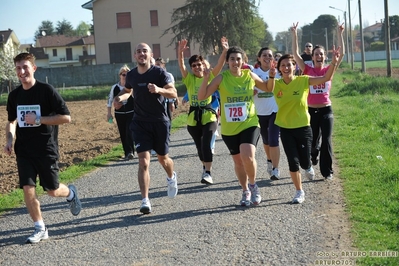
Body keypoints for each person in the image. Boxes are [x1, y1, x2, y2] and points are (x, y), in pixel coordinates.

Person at [4, 53, 81, 243]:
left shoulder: (46, 90)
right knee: (28, 189)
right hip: (24, 151)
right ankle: (40, 227)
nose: (22, 72)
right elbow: (11, 121)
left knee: (52, 190)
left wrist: (39, 119)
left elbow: (66, 117)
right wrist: (9, 139)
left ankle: (71, 193)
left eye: (25, 67)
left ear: (33, 68)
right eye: (18, 68)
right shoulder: (14, 95)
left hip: (46, 149)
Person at [198, 46, 274, 206]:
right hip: (230, 128)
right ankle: (245, 190)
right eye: (232, 59)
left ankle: (253, 186)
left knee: (248, 156)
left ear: (243, 61)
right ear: (227, 61)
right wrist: (205, 79)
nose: (235, 62)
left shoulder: (249, 75)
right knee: (239, 162)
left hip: (250, 123)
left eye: (238, 59)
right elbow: (202, 96)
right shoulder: (221, 78)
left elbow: (267, 88)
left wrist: (272, 77)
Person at [264, 45, 340, 204]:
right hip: (285, 128)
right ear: (279, 68)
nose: (286, 67)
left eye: (289, 64)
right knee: (293, 161)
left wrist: (333, 63)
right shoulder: (276, 84)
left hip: (303, 127)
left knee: (305, 161)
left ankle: (308, 167)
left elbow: (325, 78)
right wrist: (271, 76)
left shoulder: (303, 80)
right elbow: (267, 88)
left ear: (294, 67)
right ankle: (299, 191)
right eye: (282, 65)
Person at [113, 43, 178, 214]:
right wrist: (120, 99)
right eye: (138, 51)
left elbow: (173, 93)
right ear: (135, 56)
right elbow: (128, 90)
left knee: (163, 159)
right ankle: (145, 200)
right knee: (143, 161)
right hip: (140, 122)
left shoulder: (159, 73)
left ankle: (171, 177)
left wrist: (158, 90)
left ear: (151, 54)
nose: (141, 54)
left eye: (144, 51)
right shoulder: (132, 75)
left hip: (159, 121)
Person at [292, 22, 345, 181]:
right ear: (312, 57)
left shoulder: (330, 69)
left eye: (321, 54)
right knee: (313, 142)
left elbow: (341, 55)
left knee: (326, 140)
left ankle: (327, 171)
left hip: (326, 110)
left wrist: (339, 33)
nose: (319, 56)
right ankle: (313, 155)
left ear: (325, 56)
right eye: (316, 54)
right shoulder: (307, 70)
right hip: (310, 111)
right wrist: (294, 34)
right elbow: (295, 54)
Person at [177, 37, 228, 185]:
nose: (197, 67)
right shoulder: (189, 78)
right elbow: (181, 65)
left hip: (209, 113)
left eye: (199, 64)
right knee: (200, 148)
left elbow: (220, 64)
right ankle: (205, 166)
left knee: (206, 143)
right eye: (194, 65)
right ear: (191, 68)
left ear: (202, 64)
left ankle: (208, 172)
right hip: (193, 116)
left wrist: (224, 50)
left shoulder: (210, 75)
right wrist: (180, 52)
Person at [253, 47, 281, 180]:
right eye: (264, 55)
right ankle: (269, 160)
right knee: (266, 140)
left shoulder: (278, 73)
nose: (267, 57)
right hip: (259, 113)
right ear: (259, 58)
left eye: (270, 55)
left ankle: (275, 169)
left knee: (273, 140)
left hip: (275, 111)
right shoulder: (253, 73)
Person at [107, 65, 136, 160]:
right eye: (123, 74)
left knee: (129, 131)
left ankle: (131, 151)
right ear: (120, 75)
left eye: (127, 74)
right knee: (123, 133)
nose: (125, 76)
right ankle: (127, 152)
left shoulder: (132, 87)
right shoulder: (114, 87)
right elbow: (110, 100)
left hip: (131, 112)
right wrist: (109, 113)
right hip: (119, 114)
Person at [155, 57, 179, 122]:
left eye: (158, 64)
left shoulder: (168, 75)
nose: (157, 66)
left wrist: (172, 102)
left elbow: (172, 89)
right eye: (155, 65)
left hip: (167, 100)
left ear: (163, 65)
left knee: (168, 117)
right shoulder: (154, 75)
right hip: (158, 100)